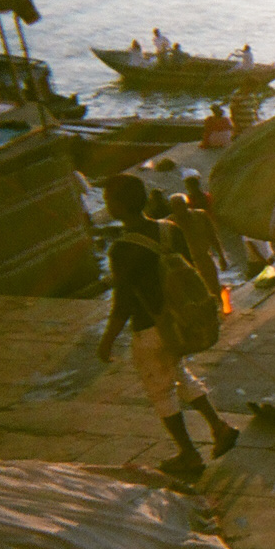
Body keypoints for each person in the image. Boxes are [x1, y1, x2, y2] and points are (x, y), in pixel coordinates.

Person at [96, 174, 238, 477]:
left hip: (149, 327)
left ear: (119, 206)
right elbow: (190, 270)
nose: (108, 206)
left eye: (109, 201)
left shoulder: (121, 248)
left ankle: (188, 454)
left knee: (161, 391)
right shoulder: (169, 230)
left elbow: (123, 301)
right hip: (178, 322)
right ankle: (219, 427)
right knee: (180, 374)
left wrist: (108, 339)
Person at [165, 193, 228, 298]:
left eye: (181, 205)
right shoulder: (169, 224)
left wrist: (221, 256)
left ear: (186, 204)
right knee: (199, 295)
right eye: (176, 206)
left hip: (205, 260)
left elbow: (212, 237)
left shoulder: (200, 215)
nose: (179, 209)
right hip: (186, 265)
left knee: (215, 290)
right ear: (172, 208)